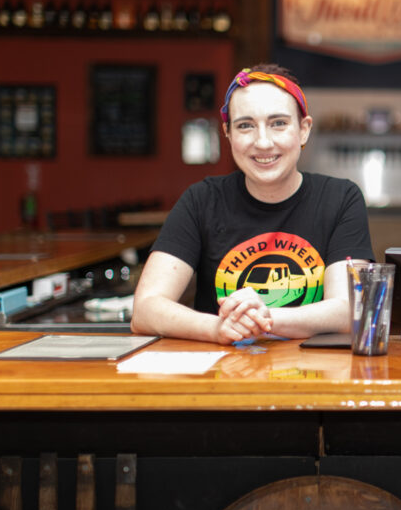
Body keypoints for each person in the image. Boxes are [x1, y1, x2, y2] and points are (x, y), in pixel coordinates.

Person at [131, 64, 375, 344]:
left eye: (278, 123)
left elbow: (349, 310)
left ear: (304, 130)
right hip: (223, 377)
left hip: (314, 376)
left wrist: (263, 317)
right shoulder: (201, 200)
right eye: (245, 125)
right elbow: (145, 309)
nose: (263, 141)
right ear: (228, 134)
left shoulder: (340, 198)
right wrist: (216, 329)